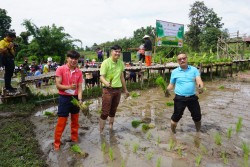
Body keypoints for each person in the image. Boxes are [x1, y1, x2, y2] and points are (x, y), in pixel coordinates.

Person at [165, 53, 204, 134]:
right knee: (176, 116)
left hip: (192, 97)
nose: (182, 60)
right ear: (178, 61)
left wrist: (200, 87)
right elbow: (171, 84)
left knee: (197, 116)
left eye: (184, 58)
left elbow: (199, 80)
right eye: (180, 59)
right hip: (180, 98)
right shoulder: (175, 72)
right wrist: (167, 90)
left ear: (187, 58)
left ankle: (198, 132)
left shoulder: (194, 70)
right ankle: (173, 132)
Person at [54, 50, 83, 151]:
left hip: (74, 98)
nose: (73, 60)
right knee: (62, 121)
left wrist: (80, 99)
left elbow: (79, 87)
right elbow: (58, 85)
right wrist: (69, 87)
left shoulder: (79, 72)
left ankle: (74, 138)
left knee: (75, 120)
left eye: (76, 59)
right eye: (71, 58)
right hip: (64, 98)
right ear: (67, 58)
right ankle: (57, 143)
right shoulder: (60, 69)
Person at [99, 44, 129, 134]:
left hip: (118, 90)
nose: (118, 53)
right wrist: (106, 83)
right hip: (108, 90)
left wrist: (125, 89)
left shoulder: (120, 63)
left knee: (113, 110)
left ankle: (111, 128)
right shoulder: (105, 62)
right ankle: (101, 131)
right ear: (111, 52)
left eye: (119, 52)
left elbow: (122, 77)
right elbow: (101, 77)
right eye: (116, 51)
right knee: (105, 112)